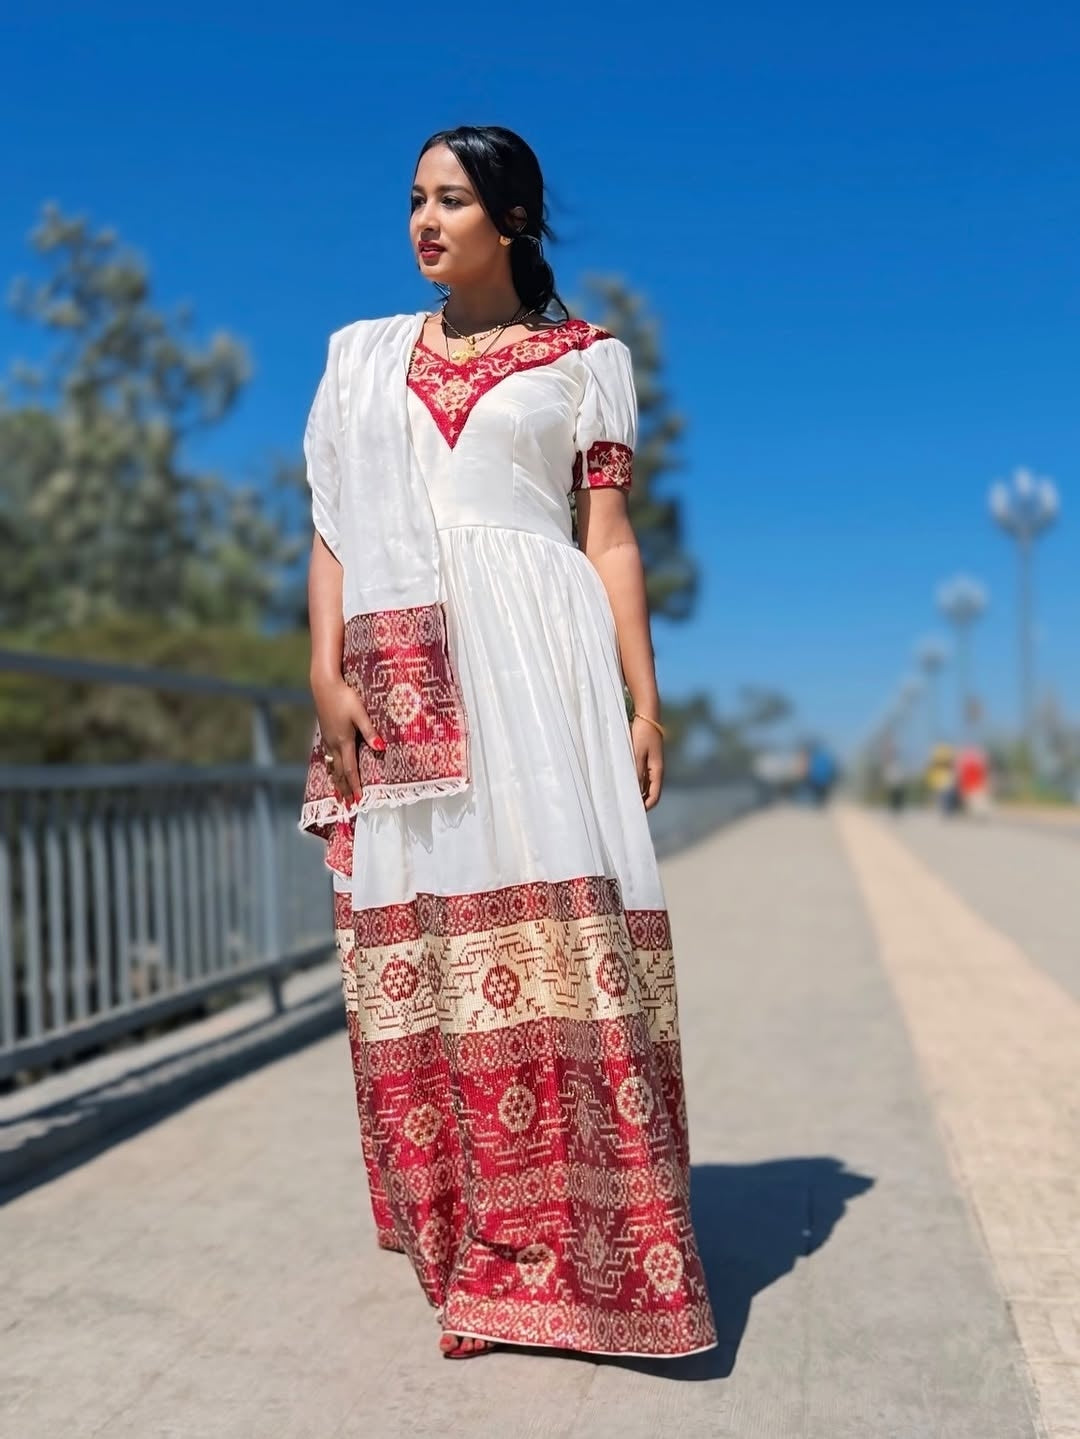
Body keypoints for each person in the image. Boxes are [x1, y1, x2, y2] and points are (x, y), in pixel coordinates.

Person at [298, 125, 716, 1362]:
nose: (426, 221)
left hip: (542, 663)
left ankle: (582, 1246)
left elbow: (609, 539)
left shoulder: (587, 362)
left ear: (513, 218)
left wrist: (646, 703)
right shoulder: (360, 359)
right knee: (433, 923)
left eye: (454, 201)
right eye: (415, 200)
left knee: (555, 922)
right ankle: (469, 1227)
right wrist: (323, 670)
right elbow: (329, 528)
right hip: (405, 671)